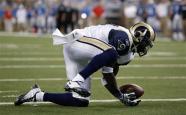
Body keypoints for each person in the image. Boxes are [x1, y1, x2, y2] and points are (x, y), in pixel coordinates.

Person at [14, 22, 156, 107]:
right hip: (78, 41)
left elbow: (107, 75)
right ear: (139, 35)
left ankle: (37, 95)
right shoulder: (124, 37)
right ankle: (76, 81)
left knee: (81, 101)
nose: (145, 47)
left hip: (77, 52)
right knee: (111, 52)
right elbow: (110, 55)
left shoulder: (127, 54)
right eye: (146, 42)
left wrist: (120, 96)